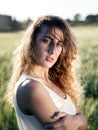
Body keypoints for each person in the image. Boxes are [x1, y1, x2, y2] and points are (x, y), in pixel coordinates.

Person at [6, 15, 87, 130]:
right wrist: (79, 120)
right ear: (32, 43)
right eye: (46, 40)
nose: (53, 50)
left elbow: (84, 121)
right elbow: (81, 122)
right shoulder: (31, 87)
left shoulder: (53, 82)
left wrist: (78, 120)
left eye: (59, 44)